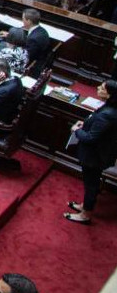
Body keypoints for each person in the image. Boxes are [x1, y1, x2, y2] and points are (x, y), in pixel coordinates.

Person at [65, 79, 117, 224]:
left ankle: (85, 214)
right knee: (91, 182)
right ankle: (84, 206)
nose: (98, 88)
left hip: (95, 156)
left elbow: (90, 138)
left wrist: (77, 130)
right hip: (99, 153)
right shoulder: (110, 108)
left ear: (110, 94)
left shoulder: (107, 114)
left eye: (103, 88)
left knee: (91, 184)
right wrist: (86, 125)